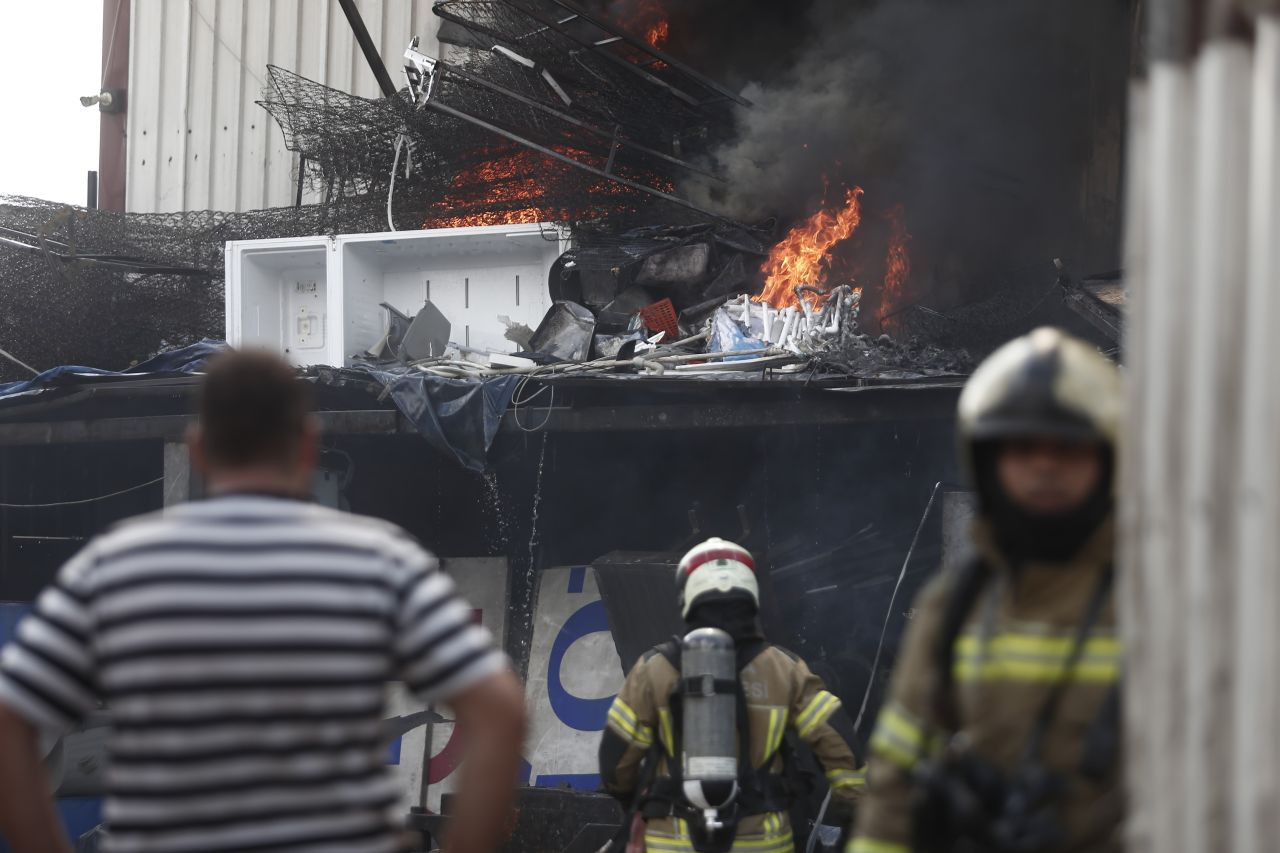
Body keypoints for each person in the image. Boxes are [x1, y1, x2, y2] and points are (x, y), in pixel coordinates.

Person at [0, 349, 527, 853]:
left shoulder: (117, 566)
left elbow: (11, 724)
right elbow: (499, 712)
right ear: (305, 445)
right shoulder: (377, 562)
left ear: (201, 448)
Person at [849, 327, 1123, 853]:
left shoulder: (1162, 606)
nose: (1045, 465)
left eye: (1067, 448)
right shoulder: (953, 607)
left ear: (1108, 459)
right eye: (1023, 447)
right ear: (987, 462)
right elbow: (893, 789)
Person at [599, 537, 863, 853]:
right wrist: (853, 816)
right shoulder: (785, 669)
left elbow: (615, 764)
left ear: (687, 597)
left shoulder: (653, 669)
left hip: (674, 844)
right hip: (763, 843)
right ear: (751, 597)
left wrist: (637, 802)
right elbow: (840, 746)